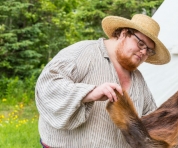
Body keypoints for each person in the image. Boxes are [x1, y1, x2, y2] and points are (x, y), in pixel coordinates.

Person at [35, 14, 170, 147]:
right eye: (140, 43)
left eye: (149, 51)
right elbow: (47, 86)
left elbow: (151, 119)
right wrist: (89, 93)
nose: (143, 52)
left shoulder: (138, 80)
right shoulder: (84, 52)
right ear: (123, 33)